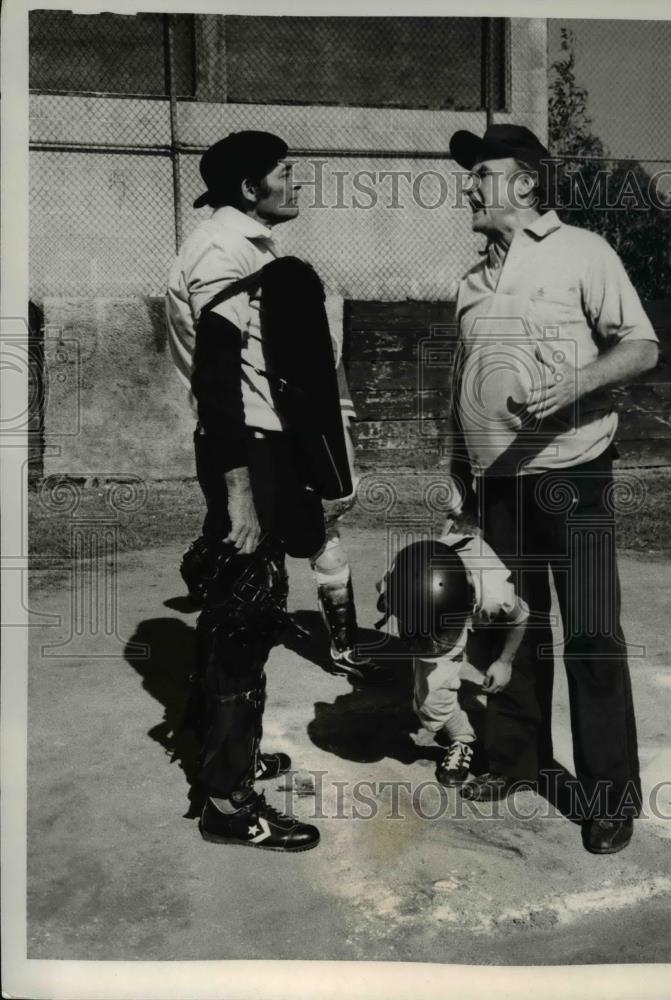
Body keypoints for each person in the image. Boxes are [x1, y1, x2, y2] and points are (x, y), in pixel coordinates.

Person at [446, 124, 659, 854]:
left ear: (527, 182)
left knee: (592, 633)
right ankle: (515, 759)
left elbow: (640, 343)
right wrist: (458, 473)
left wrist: (576, 382)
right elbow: (463, 383)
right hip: (497, 484)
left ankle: (607, 796)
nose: (468, 185)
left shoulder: (581, 252)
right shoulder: (472, 280)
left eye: (481, 172)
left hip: (575, 471)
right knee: (507, 621)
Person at [165, 130, 373, 850]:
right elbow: (218, 381)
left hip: (260, 446)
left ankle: (234, 756)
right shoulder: (223, 251)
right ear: (251, 188)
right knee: (244, 616)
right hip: (243, 449)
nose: (298, 182)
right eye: (286, 172)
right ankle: (228, 804)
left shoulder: (244, 245)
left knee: (243, 610)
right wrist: (239, 491)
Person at [376, 533, 529, 786]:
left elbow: (521, 616)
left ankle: (462, 739)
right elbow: (386, 602)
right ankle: (463, 736)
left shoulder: (493, 593)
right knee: (429, 703)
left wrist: (505, 661)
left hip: (471, 592)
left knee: (482, 658)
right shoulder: (400, 576)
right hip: (437, 592)